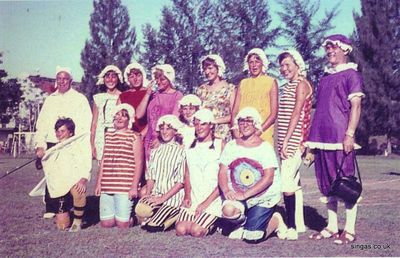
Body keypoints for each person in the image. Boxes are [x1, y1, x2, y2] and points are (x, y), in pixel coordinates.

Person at [305, 34, 364, 244]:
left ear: (345, 50)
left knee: (345, 183)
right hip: (321, 139)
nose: (330, 51)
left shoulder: (351, 75)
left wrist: (349, 134)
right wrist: (311, 144)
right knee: (326, 185)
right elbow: (319, 111)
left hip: (340, 137)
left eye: (334, 48)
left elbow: (356, 106)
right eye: (327, 48)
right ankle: (331, 226)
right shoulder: (325, 77)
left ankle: (349, 229)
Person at [218, 107, 287, 244]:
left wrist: (245, 195)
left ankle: (276, 220)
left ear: (256, 124)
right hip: (237, 194)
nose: (245, 125)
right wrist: (226, 190)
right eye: (242, 121)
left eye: (249, 121)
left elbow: (268, 178)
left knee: (253, 237)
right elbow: (222, 171)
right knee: (228, 211)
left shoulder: (265, 148)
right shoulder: (231, 146)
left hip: (262, 197)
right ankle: (243, 224)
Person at [35, 66, 92, 219]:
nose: (61, 82)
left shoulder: (79, 99)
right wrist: (40, 144)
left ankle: (69, 205)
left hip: (72, 143)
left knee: (70, 174)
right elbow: (41, 124)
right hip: (52, 143)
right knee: (52, 175)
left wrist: (77, 141)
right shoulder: (50, 100)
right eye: (59, 79)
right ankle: (51, 206)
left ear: (70, 81)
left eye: (65, 79)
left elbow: (85, 123)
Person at [277, 50, 313, 240]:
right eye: (282, 66)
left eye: (288, 65)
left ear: (298, 65)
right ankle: (299, 224)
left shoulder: (301, 84)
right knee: (294, 183)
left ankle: (290, 227)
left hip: (293, 140)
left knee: (287, 183)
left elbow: (297, 113)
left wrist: (286, 140)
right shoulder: (289, 85)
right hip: (286, 138)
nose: (284, 69)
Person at [176, 109, 223, 237]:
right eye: (196, 124)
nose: (199, 127)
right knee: (181, 229)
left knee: (196, 231)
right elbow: (187, 174)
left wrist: (205, 204)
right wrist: (187, 195)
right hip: (194, 199)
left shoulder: (220, 144)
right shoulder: (190, 147)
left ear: (211, 125)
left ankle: (216, 223)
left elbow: (223, 181)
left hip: (213, 201)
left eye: (203, 124)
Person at [95, 104, 143, 229]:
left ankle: (137, 218)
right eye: (117, 115)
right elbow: (104, 160)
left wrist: (134, 186)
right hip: (108, 184)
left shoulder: (135, 136)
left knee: (122, 224)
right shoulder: (108, 135)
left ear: (129, 119)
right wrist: (99, 183)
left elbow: (139, 163)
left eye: (124, 116)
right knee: (106, 224)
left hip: (125, 186)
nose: (119, 118)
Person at [135, 115, 185, 232]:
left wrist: (162, 199)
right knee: (140, 209)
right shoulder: (155, 150)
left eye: (168, 129)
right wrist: (148, 193)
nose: (164, 132)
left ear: (175, 131)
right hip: (156, 194)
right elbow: (151, 176)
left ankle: (175, 214)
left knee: (152, 227)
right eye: (162, 128)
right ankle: (155, 215)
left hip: (172, 197)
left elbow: (180, 182)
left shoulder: (181, 151)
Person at [41, 118, 91, 232]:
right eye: (57, 131)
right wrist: (41, 155)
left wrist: (83, 179)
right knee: (62, 226)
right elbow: (42, 166)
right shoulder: (52, 149)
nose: (59, 134)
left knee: (79, 191)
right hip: (60, 185)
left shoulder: (78, 146)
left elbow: (86, 164)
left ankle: (77, 222)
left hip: (74, 181)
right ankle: (65, 213)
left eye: (63, 131)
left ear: (71, 132)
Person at [135, 64, 183, 160]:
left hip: (165, 139)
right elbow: (139, 115)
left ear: (169, 79)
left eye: (162, 79)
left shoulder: (177, 95)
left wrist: (160, 138)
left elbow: (173, 120)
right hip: (149, 140)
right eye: (157, 79)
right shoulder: (153, 95)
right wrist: (147, 93)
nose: (158, 82)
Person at [232, 48, 278, 145]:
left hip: (263, 134)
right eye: (251, 62)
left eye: (257, 61)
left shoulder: (271, 82)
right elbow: (235, 111)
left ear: (263, 63)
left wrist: (257, 132)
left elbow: (273, 114)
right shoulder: (243, 83)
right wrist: (236, 133)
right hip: (242, 135)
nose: (254, 65)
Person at [196, 54, 235, 141]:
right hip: (204, 133)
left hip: (222, 133)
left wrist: (214, 121)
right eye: (205, 69)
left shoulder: (230, 89)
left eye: (210, 68)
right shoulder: (201, 90)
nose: (207, 72)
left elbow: (233, 115)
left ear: (218, 68)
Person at [91, 65, 123, 161]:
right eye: (107, 76)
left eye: (113, 76)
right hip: (101, 138)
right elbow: (94, 123)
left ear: (118, 78)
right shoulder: (98, 98)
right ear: (103, 79)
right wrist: (92, 144)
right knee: (102, 168)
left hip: (117, 137)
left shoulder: (123, 96)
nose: (110, 80)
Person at [118, 62, 149, 135]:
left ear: (143, 76)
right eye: (132, 77)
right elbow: (118, 117)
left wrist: (142, 134)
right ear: (128, 79)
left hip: (146, 134)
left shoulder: (150, 93)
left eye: (138, 75)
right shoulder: (122, 96)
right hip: (127, 134)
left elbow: (153, 118)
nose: (135, 79)